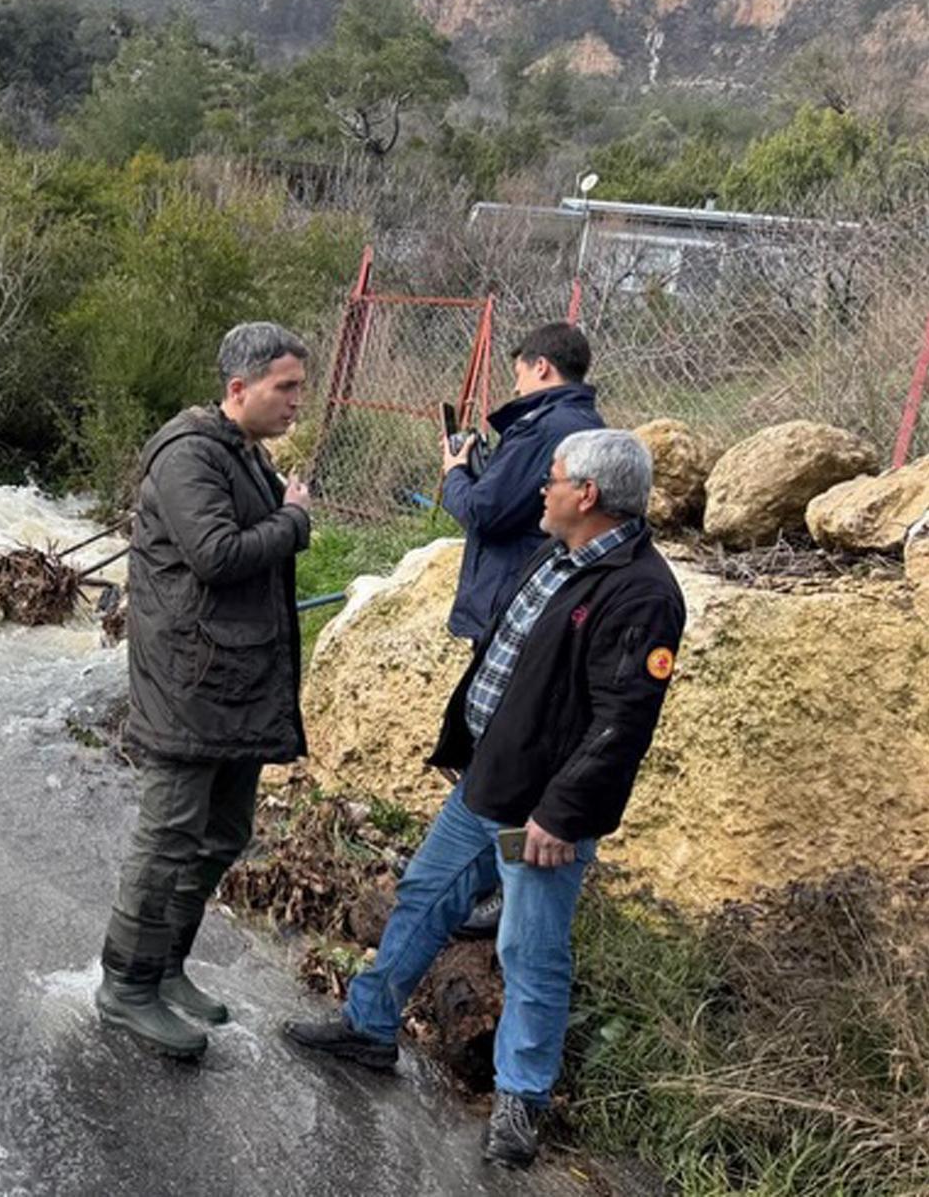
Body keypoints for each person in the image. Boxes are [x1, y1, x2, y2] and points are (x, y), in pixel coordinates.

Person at [285, 429, 687, 1170]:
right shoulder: (557, 554)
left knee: (530, 952)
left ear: (588, 495)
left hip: (542, 813)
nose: (543, 486)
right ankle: (368, 1027)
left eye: (554, 477)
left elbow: (622, 723)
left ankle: (521, 1099)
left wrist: (563, 815)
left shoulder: (643, 593)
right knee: (424, 896)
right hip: (487, 784)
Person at [99, 322, 314, 1060]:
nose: (296, 402)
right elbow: (218, 555)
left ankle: (166, 966)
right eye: (285, 387)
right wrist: (294, 519)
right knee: (169, 835)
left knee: (224, 832)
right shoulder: (190, 453)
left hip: (235, 677)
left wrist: (281, 507)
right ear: (238, 389)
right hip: (189, 680)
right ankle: (126, 987)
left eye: (299, 388)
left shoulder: (242, 451)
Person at [444, 323, 606, 942]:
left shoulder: (548, 428)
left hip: (517, 602)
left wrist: (456, 472)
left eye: (517, 371)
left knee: (503, 756)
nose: (513, 381)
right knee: (503, 752)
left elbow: (486, 511)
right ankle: (485, 884)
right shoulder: (582, 426)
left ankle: (494, 890)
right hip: (532, 599)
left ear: (541, 367)